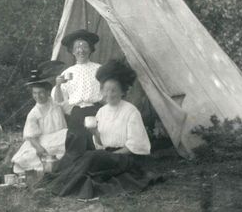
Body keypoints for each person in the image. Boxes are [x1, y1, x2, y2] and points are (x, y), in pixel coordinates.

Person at [40, 60, 161, 198]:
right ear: (101, 91)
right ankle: (56, 181)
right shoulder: (101, 112)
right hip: (107, 155)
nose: (109, 94)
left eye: (114, 90)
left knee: (91, 157)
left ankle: (61, 187)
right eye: (105, 90)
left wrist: (111, 155)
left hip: (126, 158)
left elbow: (135, 145)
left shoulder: (131, 111)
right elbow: (101, 144)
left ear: (122, 91)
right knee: (82, 156)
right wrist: (95, 133)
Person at [11, 61, 68, 174]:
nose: (38, 96)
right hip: (42, 141)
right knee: (27, 159)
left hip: (60, 137)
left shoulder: (55, 104)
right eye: (35, 93)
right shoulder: (34, 113)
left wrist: (58, 85)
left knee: (67, 137)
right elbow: (30, 136)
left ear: (48, 92)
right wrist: (39, 148)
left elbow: (61, 99)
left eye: (41, 92)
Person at [52, 29, 102, 149]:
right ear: (72, 51)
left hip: (97, 111)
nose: (81, 50)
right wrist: (58, 85)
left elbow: (108, 91)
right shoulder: (68, 72)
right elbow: (59, 100)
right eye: (77, 48)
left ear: (90, 49)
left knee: (96, 143)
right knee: (76, 145)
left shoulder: (100, 70)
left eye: (85, 47)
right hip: (77, 114)